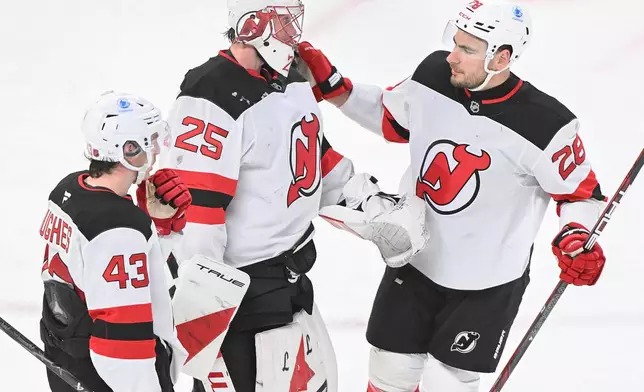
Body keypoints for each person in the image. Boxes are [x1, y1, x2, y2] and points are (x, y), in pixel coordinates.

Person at [295, 1, 608, 391]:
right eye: (454, 42)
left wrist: (576, 234)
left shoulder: (546, 124)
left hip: (487, 284)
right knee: (389, 374)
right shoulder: (432, 75)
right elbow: (391, 118)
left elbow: (583, 194)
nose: (452, 57)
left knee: (449, 384)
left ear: (502, 57)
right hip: (414, 259)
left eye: (468, 50)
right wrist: (335, 87)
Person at [161, 0, 428, 391]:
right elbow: (199, 213)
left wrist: (365, 201)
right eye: (283, 22)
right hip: (242, 295)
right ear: (253, 27)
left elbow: (312, 156)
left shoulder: (291, 76)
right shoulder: (210, 96)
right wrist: (205, 318)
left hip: (291, 281)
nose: (292, 32)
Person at [38, 92, 192, 392]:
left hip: (65, 361)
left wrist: (158, 231)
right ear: (129, 149)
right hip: (110, 379)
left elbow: (104, 278)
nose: (158, 149)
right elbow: (122, 345)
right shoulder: (118, 225)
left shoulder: (68, 190)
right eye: (150, 140)